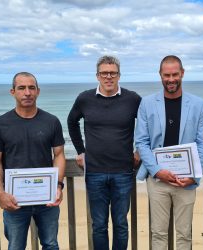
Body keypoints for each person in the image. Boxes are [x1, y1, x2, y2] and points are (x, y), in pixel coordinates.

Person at [135, 55, 203, 249]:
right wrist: (157, 171)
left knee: (184, 235)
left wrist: (194, 176)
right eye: (166, 75)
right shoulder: (147, 103)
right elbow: (141, 142)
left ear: (182, 73)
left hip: (186, 181)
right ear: (160, 75)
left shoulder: (198, 104)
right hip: (157, 179)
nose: (171, 79)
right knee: (158, 233)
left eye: (175, 74)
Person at [67, 55, 141, 250]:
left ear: (119, 75)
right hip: (95, 172)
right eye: (104, 73)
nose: (109, 77)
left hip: (123, 172)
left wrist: (139, 150)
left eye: (113, 73)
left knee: (121, 224)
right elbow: (71, 122)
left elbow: (147, 124)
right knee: (99, 225)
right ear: (97, 76)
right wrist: (81, 151)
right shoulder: (85, 98)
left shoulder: (132, 99)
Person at [0, 72, 66, 249]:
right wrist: (1, 194)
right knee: (15, 246)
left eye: (31, 88)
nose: (27, 92)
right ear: (12, 92)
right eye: (21, 88)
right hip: (14, 199)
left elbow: (59, 155)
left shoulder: (51, 121)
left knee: (51, 244)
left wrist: (58, 186)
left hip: (47, 199)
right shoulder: (0, 124)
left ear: (38, 91)